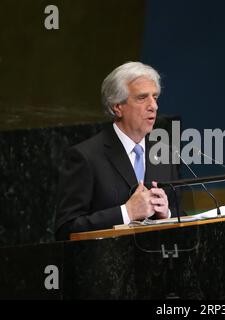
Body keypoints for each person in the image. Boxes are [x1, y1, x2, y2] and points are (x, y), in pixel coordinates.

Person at [55, 62, 179, 240]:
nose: (154, 106)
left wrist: (166, 214)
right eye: (142, 97)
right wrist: (126, 212)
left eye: (155, 97)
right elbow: (66, 230)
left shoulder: (164, 155)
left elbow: (182, 216)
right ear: (117, 107)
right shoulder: (85, 157)